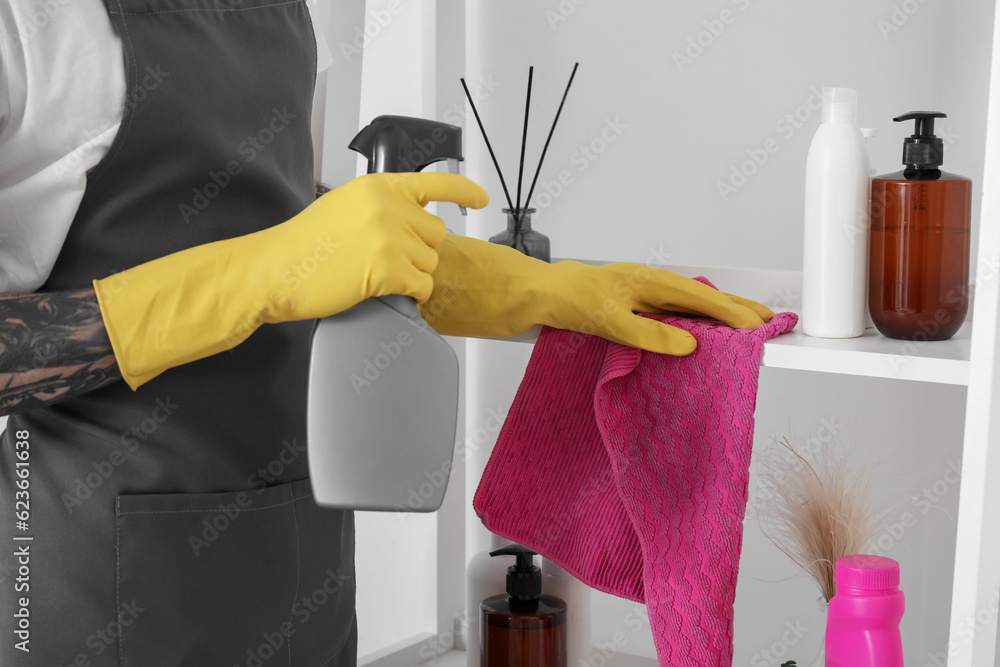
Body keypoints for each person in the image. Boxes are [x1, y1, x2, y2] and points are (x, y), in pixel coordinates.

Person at [0, 1, 774, 664]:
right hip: (100, 591)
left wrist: (532, 286)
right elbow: (285, 254)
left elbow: (299, 222)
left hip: (298, 565)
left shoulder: (287, 14)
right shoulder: (30, 24)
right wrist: (259, 274)